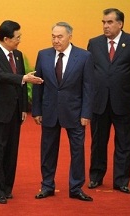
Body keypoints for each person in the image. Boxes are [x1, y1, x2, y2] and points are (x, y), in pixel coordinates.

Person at [0, 20, 43, 204]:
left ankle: (8, 188)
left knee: (11, 152)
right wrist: (23, 78)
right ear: (6, 38)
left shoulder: (17, 55)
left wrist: (23, 107)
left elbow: (22, 86)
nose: (20, 40)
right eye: (17, 37)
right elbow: (0, 76)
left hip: (15, 112)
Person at [32, 22, 94, 201]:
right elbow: (38, 85)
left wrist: (86, 113)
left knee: (77, 151)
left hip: (75, 112)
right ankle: (47, 185)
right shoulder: (43, 55)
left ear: (69, 37)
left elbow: (88, 87)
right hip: (49, 111)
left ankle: (76, 187)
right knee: (48, 150)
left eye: (59, 37)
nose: (55, 40)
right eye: (53, 36)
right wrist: (36, 110)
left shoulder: (84, 56)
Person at [87, 8, 130, 194]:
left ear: (120, 24)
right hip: (99, 101)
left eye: (109, 22)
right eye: (103, 22)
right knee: (98, 141)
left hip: (123, 100)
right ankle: (95, 177)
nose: (105, 26)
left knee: (124, 143)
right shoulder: (94, 43)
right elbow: (88, 74)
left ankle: (121, 181)